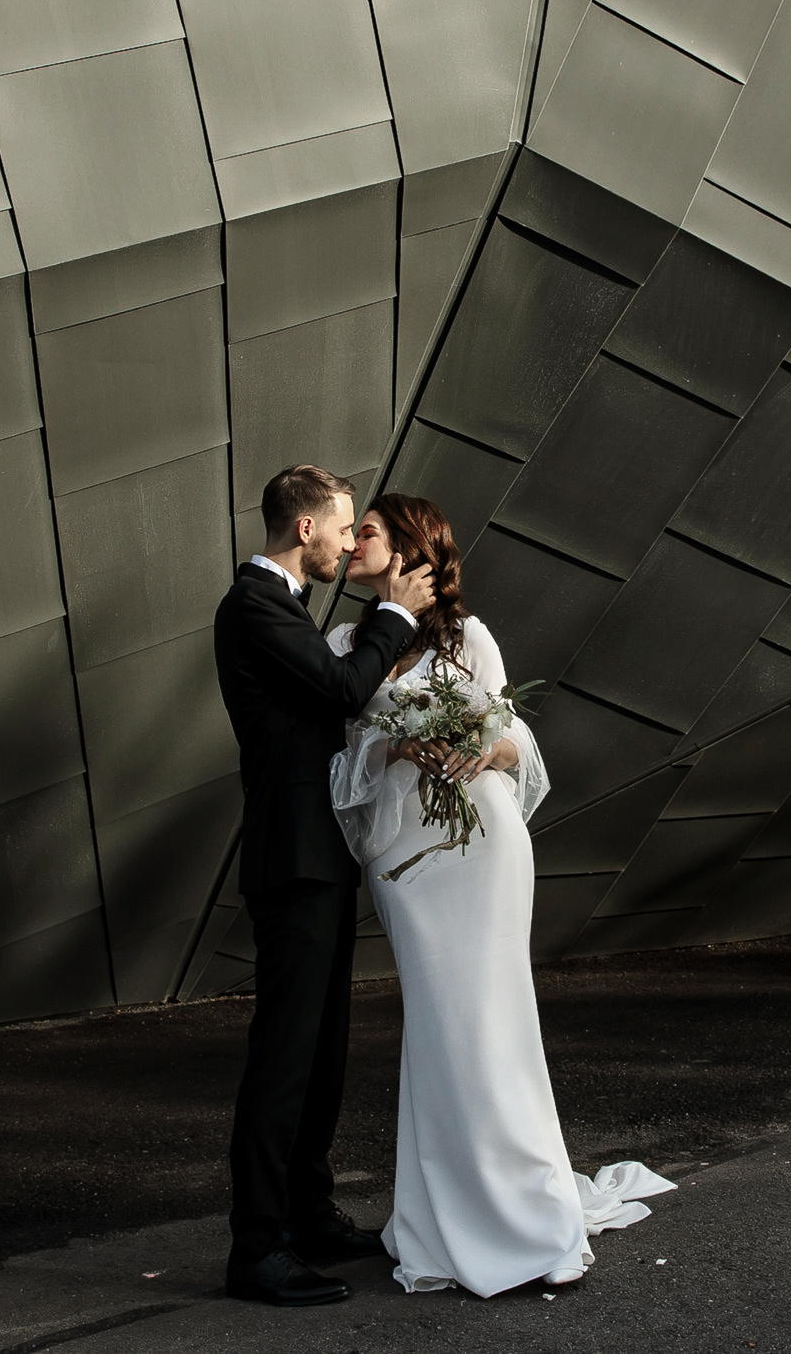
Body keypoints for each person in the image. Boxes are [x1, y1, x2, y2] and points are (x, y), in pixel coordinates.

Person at [326, 492, 672, 1298]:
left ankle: (527, 1215)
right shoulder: (345, 643)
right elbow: (342, 762)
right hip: (404, 856)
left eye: (367, 531)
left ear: (408, 545)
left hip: (480, 843)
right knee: (439, 1023)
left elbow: (518, 738)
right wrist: (395, 743)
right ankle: (443, 1213)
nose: (353, 543)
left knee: (493, 1017)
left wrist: (482, 746)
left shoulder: (467, 637)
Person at [213, 465, 436, 1308]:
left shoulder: (287, 607)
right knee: (284, 1056)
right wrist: (396, 613)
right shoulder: (253, 605)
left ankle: (307, 1214)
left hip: (322, 853)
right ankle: (257, 1247)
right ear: (305, 528)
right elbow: (344, 688)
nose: (349, 544)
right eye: (343, 528)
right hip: (292, 858)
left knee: (323, 1051)